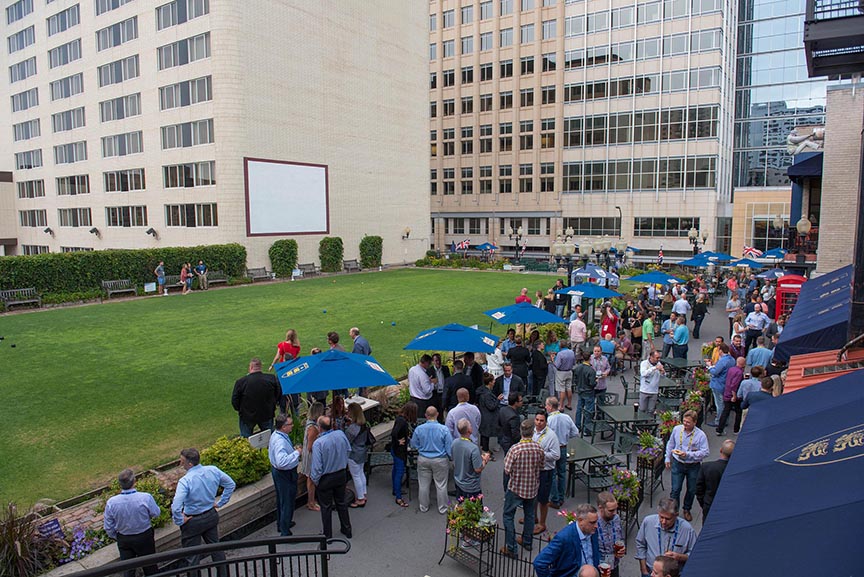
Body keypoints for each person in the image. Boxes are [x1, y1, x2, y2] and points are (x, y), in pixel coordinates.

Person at [171, 448, 236, 575]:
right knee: (216, 548)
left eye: (182, 461)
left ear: (190, 464)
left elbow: (176, 506)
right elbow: (230, 484)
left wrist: (180, 520)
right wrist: (220, 503)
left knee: (192, 557)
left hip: (192, 521)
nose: (180, 464)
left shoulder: (186, 481)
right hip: (210, 516)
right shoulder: (212, 470)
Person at [103, 469, 161, 577]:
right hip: (144, 537)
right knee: (150, 566)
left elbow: (108, 526)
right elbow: (156, 513)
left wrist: (117, 536)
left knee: (128, 569)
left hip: (124, 538)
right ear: (134, 481)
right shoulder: (145, 498)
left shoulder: (112, 502)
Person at [501, 420, 545, 558]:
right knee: (530, 515)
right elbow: (542, 467)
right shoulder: (538, 448)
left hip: (516, 488)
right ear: (532, 433)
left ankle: (512, 548)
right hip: (532, 488)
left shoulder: (515, 449)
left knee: (508, 516)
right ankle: (527, 541)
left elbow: (507, 470)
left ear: (521, 431)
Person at [309, 416, 352, 538]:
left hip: (326, 478)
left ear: (319, 428)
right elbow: (348, 450)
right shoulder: (340, 434)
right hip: (341, 474)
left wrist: (316, 481)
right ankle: (347, 529)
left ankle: (327, 535)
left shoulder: (318, 443)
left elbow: (317, 467)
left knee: (326, 507)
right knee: (341, 502)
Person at [533, 503, 601, 577]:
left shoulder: (592, 530)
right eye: (592, 522)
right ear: (580, 520)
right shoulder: (564, 537)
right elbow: (539, 563)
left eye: (596, 521)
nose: (596, 525)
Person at [664, 410, 709, 522]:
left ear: (694, 422)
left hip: (693, 466)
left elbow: (705, 452)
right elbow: (671, 443)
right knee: (675, 489)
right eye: (684, 421)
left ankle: (687, 509)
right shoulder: (677, 429)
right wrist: (667, 457)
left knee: (692, 489)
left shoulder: (700, 435)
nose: (685, 424)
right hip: (678, 463)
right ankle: (674, 511)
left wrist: (688, 455)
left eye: (688, 422)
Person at [635, 498, 698, 577]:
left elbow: (695, 555)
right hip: (651, 572)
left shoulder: (687, 530)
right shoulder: (648, 522)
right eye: (661, 517)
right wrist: (644, 570)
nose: (663, 522)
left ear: (676, 515)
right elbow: (640, 545)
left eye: (668, 519)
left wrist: (679, 557)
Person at [411, 406, 452, 514]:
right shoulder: (444, 429)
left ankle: (423, 506)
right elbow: (449, 447)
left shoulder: (419, 429)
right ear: (437, 414)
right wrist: (450, 458)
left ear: (426, 415)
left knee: (423, 484)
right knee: (441, 484)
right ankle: (443, 507)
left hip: (423, 458)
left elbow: (413, 445)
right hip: (440, 459)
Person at [231, 358, 281, 438]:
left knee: (245, 440)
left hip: (247, 416)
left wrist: (241, 410)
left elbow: (235, 400)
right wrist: (272, 405)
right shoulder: (271, 379)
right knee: (269, 438)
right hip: (267, 413)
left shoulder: (241, 382)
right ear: (260, 367)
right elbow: (278, 394)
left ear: (250, 367)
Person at [268, 413, 301, 536]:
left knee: (282, 499)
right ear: (283, 427)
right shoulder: (280, 442)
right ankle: (285, 531)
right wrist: (296, 453)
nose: (292, 426)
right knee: (287, 501)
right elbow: (281, 462)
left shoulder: (277, 435)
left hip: (279, 473)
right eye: (290, 424)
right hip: (285, 474)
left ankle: (282, 524)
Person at [530, 412, 560, 534]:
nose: (538, 422)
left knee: (543, 499)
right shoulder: (532, 432)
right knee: (533, 496)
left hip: (546, 471)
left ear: (546, 422)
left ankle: (542, 523)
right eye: (537, 419)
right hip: (534, 470)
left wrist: (541, 455)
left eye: (541, 420)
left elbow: (556, 455)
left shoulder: (551, 436)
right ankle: (534, 517)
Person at [546, 396, 579, 508]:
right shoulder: (566, 417)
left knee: (552, 474)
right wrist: (565, 437)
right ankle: (561, 497)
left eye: (546, 405)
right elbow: (575, 432)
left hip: (553, 449)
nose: (545, 407)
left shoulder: (549, 420)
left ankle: (554, 499)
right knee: (562, 473)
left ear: (550, 407)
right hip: (564, 447)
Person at [695, 439, 734, 521]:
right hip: (728, 506)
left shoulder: (707, 467)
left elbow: (699, 488)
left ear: (721, 450)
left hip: (710, 504)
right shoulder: (735, 470)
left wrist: (704, 502)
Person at [453, 418, 491, 499]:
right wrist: (485, 460)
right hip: (471, 486)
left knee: (461, 507)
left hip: (458, 481)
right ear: (469, 431)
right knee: (474, 509)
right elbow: (478, 469)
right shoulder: (473, 448)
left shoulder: (454, 443)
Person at [391, 402, 417, 508]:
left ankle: (395, 489)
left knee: (396, 470)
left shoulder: (400, 419)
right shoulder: (402, 422)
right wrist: (399, 442)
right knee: (400, 472)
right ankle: (398, 497)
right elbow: (394, 433)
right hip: (399, 451)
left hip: (395, 450)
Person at [345, 403, 371, 508]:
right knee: (360, 473)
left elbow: (346, 441)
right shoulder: (364, 425)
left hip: (354, 453)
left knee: (356, 476)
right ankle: (363, 494)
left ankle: (360, 498)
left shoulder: (353, 428)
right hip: (362, 451)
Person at [301, 402, 325, 512]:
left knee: (311, 479)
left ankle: (312, 500)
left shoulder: (310, 423)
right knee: (311, 480)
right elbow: (311, 447)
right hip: (311, 456)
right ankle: (311, 502)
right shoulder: (313, 428)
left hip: (308, 454)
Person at [596, 492, 625, 577]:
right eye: (611, 510)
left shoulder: (616, 518)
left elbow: (620, 537)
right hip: (600, 568)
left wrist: (622, 549)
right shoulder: (594, 523)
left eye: (616, 509)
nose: (615, 512)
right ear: (600, 508)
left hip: (614, 564)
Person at [716, 356, 745, 436]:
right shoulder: (739, 373)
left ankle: (719, 429)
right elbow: (734, 385)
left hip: (726, 392)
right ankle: (736, 429)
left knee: (726, 411)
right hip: (733, 395)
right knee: (738, 411)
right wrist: (734, 396)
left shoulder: (731, 369)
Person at [706, 343, 734, 426]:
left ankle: (719, 421)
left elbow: (715, 372)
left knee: (719, 404)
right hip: (726, 383)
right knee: (724, 404)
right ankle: (725, 420)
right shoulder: (732, 359)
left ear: (721, 350)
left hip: (718, 384)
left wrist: (710, 366)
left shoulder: (722, 361)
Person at [573, 352, 597, 434]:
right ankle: (587, 429)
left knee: (579, 409)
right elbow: (592, 383)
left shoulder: (577, 368)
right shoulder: (591, 371)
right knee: (588, 410)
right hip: (589, 392)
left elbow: (575, 379)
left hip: (580, 390)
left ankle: (577, 426)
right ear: (590, 358)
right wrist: (596, 381)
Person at [476, 375, 500, 453]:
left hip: (484, 414)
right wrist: (498, 400)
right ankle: (485, 451)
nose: (494, 382)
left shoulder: (482, 391)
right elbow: (491, 406)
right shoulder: (487, 394)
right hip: (488, 416)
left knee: (484, 434)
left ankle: (484, 448)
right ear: (489, 382)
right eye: (493, 380)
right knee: (486, 434)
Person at [639, 350, 666, 414]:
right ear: (651, 357)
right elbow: (643, 373)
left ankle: (649, 422)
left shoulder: (659, 364)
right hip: (644, 390)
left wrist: (663, 373)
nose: (658, 359)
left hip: (654, 391)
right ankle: (640, 422)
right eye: (657, 358)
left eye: (659, 357)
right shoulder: (644, 363)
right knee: (642, 409)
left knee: (651, 410)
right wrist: (654, 368)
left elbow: (663, 377)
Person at [553, 340, 576, 411]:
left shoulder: (560, 354)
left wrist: (552, 359)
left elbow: (557, 365)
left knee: (561, 389)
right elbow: (574, 362)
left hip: (561, 372)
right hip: (569, 371)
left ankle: (561, 405)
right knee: (569, 388)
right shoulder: (572, 352)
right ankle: (569, 404)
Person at [427, 353, 450, 421]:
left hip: (444, 393)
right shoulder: (429, 371)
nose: (438, 362)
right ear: (433, 361)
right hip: (435, 393)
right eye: (436, 360)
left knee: (444, 410)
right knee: (436, 411)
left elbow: (448, 379)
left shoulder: (445, 368)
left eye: (439, 360)